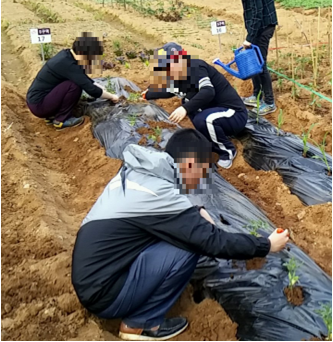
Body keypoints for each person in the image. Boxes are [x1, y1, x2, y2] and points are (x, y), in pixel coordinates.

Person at [72, 128, 289, 341]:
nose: (201, 180)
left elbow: (157, 215)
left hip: (95, 278)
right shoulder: (157, 193)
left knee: (179, 235)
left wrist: (194, 211)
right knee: (188, 247)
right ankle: (142, 324)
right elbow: (211, 242)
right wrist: (267, 245)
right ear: (190, 165)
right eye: (203, 171)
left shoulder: (140, 174)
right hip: (104, 294)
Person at [142, 43, 248, 169]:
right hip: (218, 113)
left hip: (234, 114)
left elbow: (208, 91)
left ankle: (227, 151)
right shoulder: (178, 74)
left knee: (202, 118)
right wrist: (148, 94)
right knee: (187, 102)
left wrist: (184, 109)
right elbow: (171, 90)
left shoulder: (195, 66)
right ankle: (211, 139)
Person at [218, 0, 278, 116]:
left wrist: (250, 38)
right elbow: (254, 11)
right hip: (259, 25)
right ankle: (256, 95)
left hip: (263, 26)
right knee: (254, 62)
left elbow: (258, 13)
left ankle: (269, 102)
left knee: (260, 64)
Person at [26, 32, 119, 130]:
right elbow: (92, 90)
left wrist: (98, 85)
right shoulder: (68, 65)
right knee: (74, 86)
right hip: (40, 105)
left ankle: (51, 115)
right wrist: (112, 96)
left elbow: (82, 76)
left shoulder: (67, 56)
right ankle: (61, 120)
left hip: (38, 100)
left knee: (74, 82)